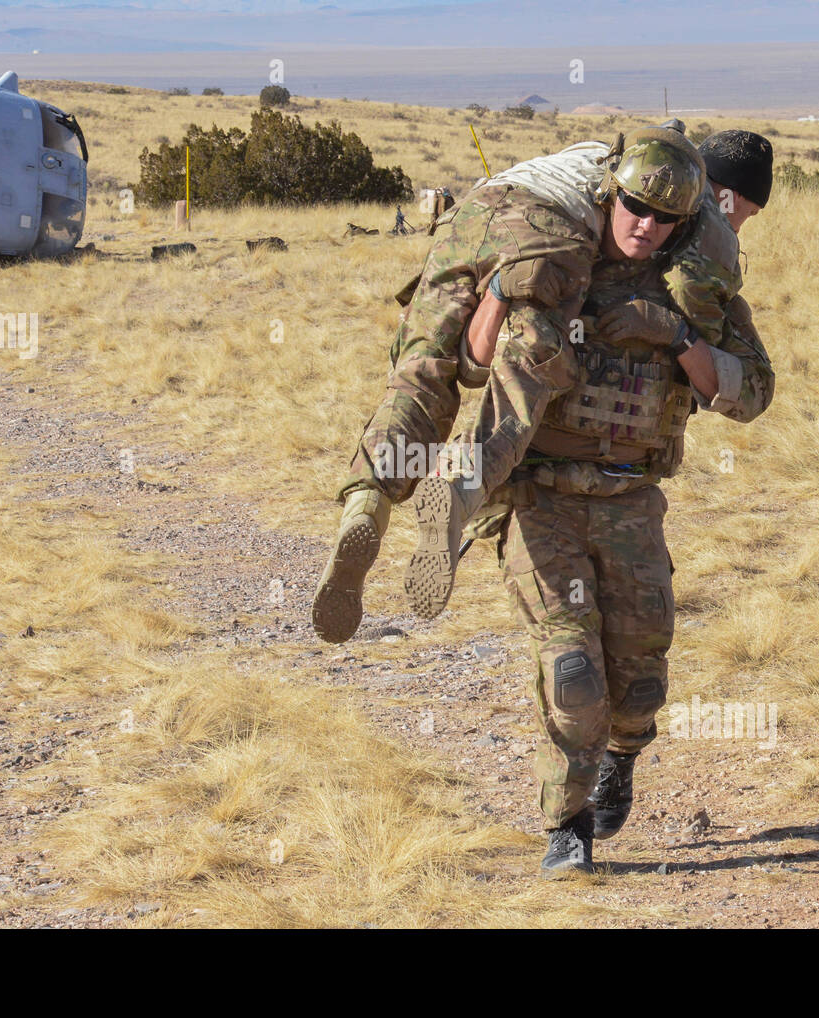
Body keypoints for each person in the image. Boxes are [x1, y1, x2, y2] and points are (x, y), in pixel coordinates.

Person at [457, 129, 776, 876]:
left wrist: (675, 338)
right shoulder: (561, 262)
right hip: (541, 498)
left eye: (664, 218)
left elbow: (752, 393)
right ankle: (565, 827)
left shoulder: (694, 291)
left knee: (638, 684)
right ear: (611, 197)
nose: (645, 226)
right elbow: (473, 365)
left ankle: (622, 757)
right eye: (634, 208)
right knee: (572, 672)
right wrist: (504, 289)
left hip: (632, 500)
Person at [313, 125, 710, 644]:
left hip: (472, 215)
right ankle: (460, 491)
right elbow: (491, 369)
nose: (650, 222)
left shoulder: (582, 157)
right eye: (641, 208)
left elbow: (468, 365)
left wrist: (495, 290)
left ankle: (366, 504)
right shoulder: (686, 195)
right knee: (532, 369)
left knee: (420, 372)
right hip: (545, 227)